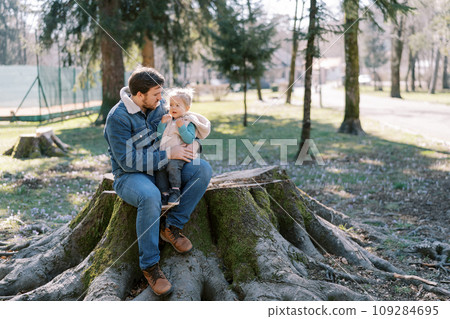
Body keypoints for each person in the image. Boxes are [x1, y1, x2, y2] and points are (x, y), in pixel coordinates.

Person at [103, 67, 212, 297]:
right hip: (130, 176)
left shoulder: (158, 108)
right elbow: (127, 162)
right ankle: (150, 266)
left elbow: (179, 127)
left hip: (164, 170)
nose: (161, 99)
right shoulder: (118, 118)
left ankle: (171, 227)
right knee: (150, 195)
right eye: (156, 94)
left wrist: (190, 144)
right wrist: (169, 154)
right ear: (139, 95)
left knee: (202, 169)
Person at [155, 88, 210, 206]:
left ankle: (175, 192)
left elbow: (189, 139)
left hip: (180, 156)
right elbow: (160, 137)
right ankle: (164, 194)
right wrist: (162, 124)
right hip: (166, 153)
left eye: (177, 105)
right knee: (159, 169)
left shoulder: (188, 122)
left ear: (187, 108)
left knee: (172, 166)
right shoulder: (169, 120)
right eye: (171, 105)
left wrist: (181, 127)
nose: (173, 108)